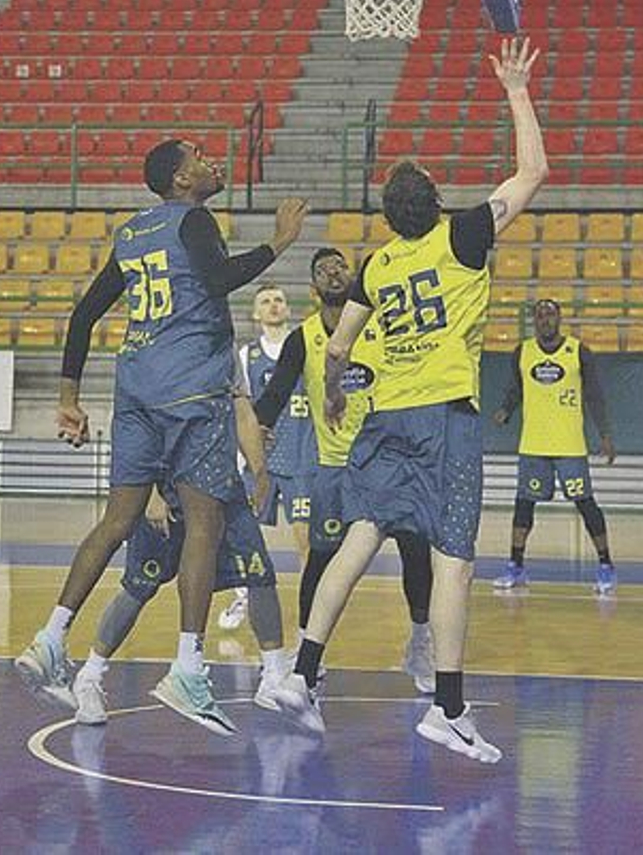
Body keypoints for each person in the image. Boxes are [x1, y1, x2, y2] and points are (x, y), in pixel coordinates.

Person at [272, 37, 548, 765]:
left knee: (360, 538)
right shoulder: (463, 236)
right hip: (443, 420)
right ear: (436, 201)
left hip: (383, 417)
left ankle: (303, 672)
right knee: (454, 562)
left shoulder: (376, 265)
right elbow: (533, 172)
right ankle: (448, 708)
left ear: (392, 216)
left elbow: (336, 348)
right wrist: (516, 88)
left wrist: (336, 393)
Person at [14, 137, 307, 731]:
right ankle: (187, 668)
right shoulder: (193, 220)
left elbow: (83, 315)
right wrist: (280, 240)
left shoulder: (131, 233)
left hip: (136, 391)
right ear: (180, 181)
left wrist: (68, 399)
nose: (212, 160)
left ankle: (52, 636)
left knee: (115, 521)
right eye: (198, 156)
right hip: (190, 390)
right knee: (206, 522)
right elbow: (221, 278)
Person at [253, 247, 436, 693]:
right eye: (322, 270)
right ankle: (308, 651)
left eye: (339, 265)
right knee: (319, 561)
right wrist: (255, 427)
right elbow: (275, 393)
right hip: (334, 468)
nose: (333, 271)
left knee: (415, 553)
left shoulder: (381, 325)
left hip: (391, 462)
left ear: (354, 279)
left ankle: (420, 640)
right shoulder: (303, 338)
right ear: (314, 290)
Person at [72, 369, 291, 733]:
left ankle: (274, 675)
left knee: (259, 572)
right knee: (139, 586)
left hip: (220, 484)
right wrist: (151, 493)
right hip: (164, 486)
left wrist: (259, 470)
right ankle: (90, 676)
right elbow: (132, 431)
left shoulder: (221, 351)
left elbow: (241, 411)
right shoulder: (152, 355)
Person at [490, 298, 618, 595]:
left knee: (585, 504)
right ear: (534, 321)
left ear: (559, 319)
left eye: (550, 314)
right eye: (540, 315)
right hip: (533, 443)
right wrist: (506, 409)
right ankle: (515, 565)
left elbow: (595, 395)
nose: (545, 319)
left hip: (570, 444)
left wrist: (605, 434)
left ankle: (606, 566)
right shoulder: (523, 352)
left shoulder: (578, 351)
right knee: (523, 505)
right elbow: (516, 389)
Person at [218, 283, 315, 631]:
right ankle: (243, 595)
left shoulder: (305, 346)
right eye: (266, 302)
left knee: (306, 544)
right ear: (255, 314)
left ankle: (308, 621)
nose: (274, 306)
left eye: (279, 300)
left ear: (288, 309)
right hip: (260, 461)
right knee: (242, 536)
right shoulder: (246, 356)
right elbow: (239, 408)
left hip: (302, 458)